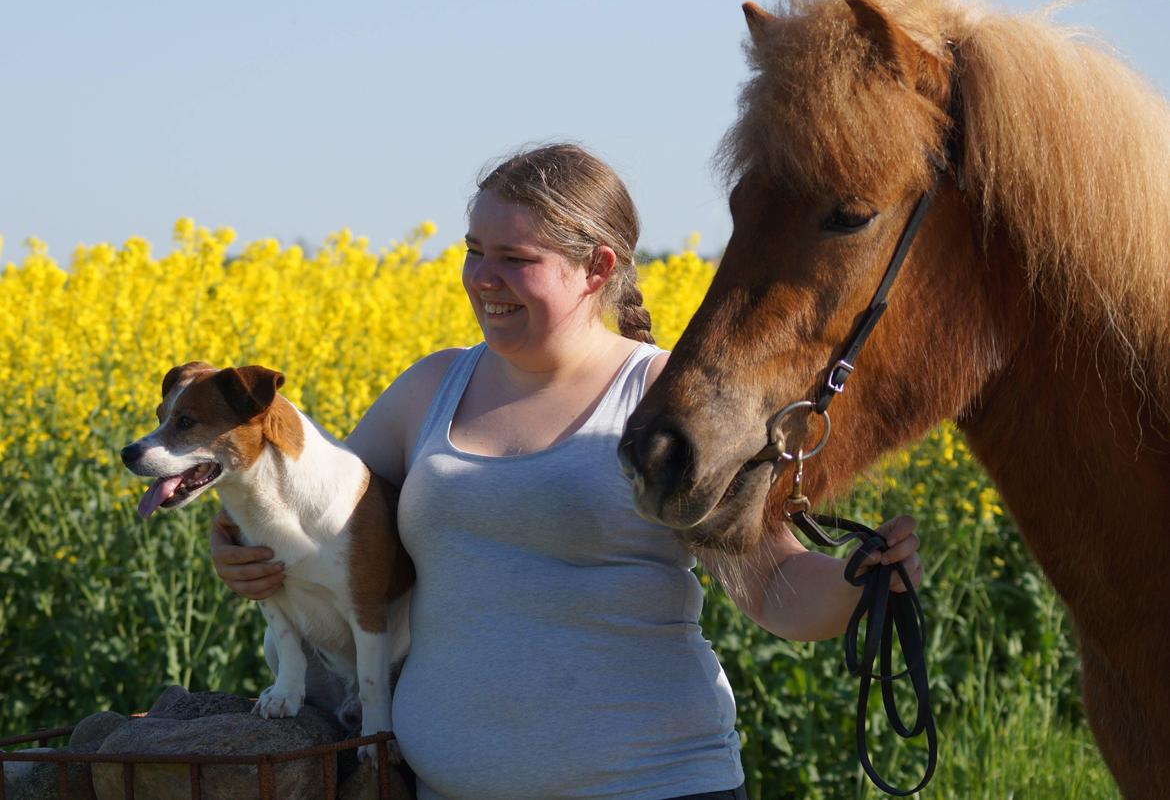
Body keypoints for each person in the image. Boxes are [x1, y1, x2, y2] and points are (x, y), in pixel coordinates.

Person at [210, 143, 923, 800]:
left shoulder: (672, 401)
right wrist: (234, 547)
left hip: (656, 785)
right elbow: (313, 522)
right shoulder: (428, 389)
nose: (483, 279)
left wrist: (866, 581)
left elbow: (774, 586)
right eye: (473, 251)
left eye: (515, 259)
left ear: (599, 269)